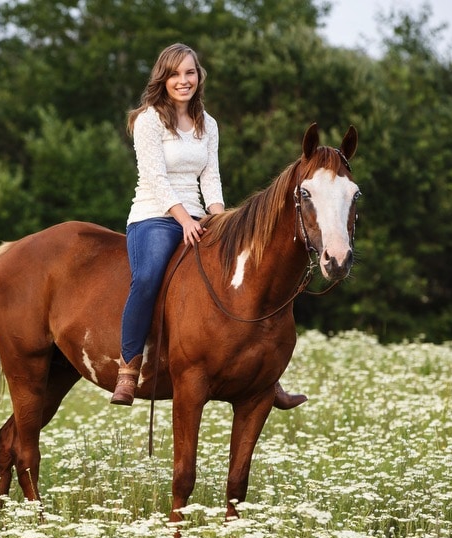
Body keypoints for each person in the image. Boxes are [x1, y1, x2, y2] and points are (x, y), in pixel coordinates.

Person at [110, 43, 308, 412]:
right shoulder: (148, 120)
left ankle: (266, 373)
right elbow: (154, 177)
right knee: (149, 277)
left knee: (244, 275)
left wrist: (222, 220)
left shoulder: (207, 123)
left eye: (190, 73)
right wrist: (183, 219)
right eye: (175, 74)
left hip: (201, 216)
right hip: (154, 215)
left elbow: (210, 176)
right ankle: (129, 367)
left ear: (199, 76)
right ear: (163, 79)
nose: (183, 81)